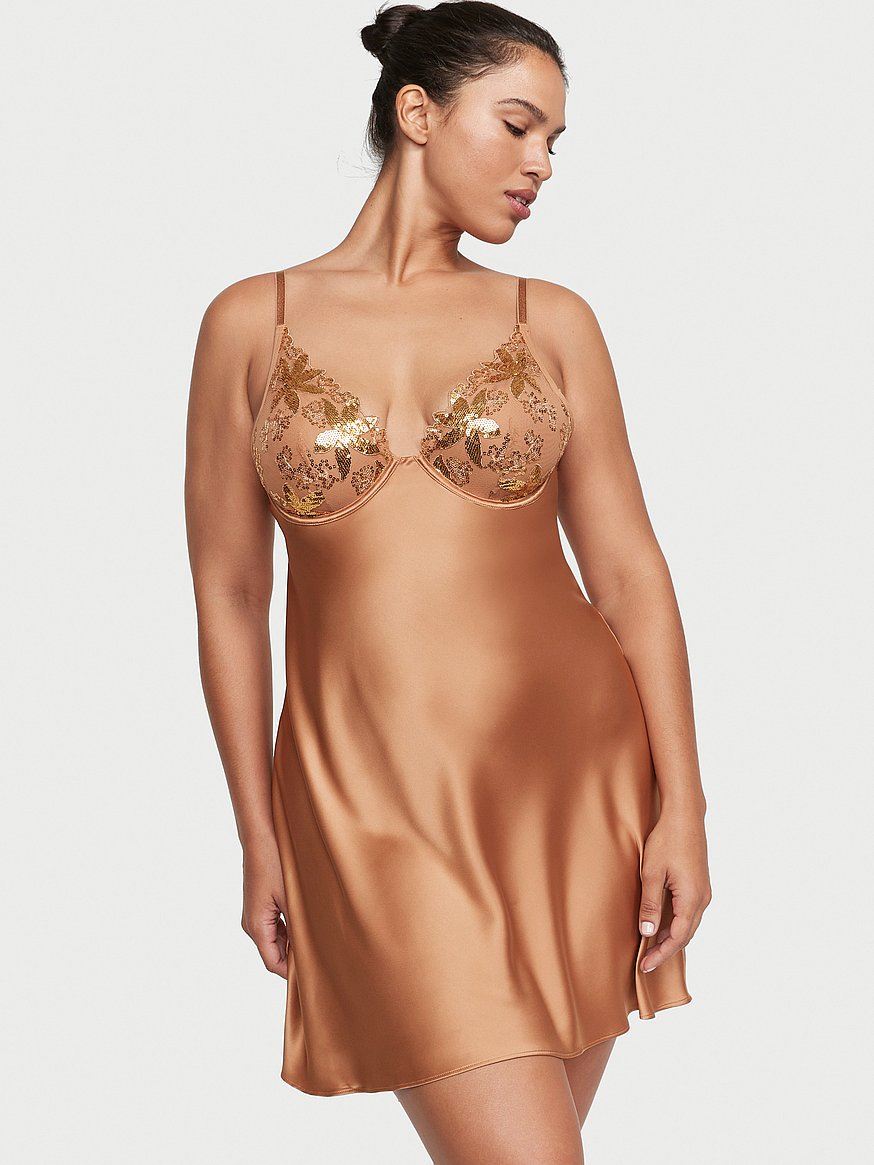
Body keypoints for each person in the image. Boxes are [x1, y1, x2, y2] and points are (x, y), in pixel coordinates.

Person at [184, 1, 712, 1159]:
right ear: (417, 113)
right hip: (371, 797)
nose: (540, 165)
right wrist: (256, 832)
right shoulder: (250, 322)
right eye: (517, 126)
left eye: (553, 142)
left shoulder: (553, 321)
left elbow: (629, 574)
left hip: (574, 786)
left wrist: (684, 806)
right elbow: (229, 594)